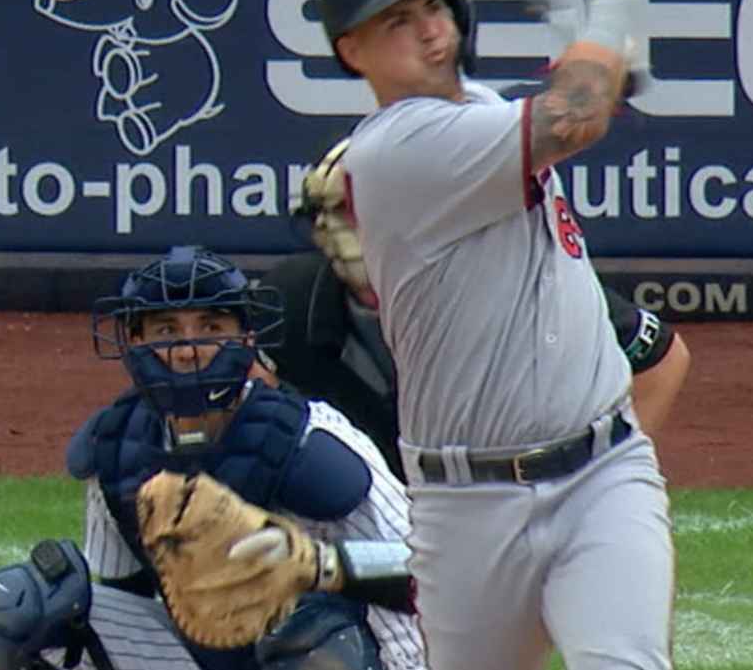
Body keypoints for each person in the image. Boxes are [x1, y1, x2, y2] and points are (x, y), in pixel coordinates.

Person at [316, 0, 713, 670]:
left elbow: (586, 95)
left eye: (434, 9)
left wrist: (603, 19)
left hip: (602, 468)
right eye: (394, 24)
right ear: (351, 53)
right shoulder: (403, 151)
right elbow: (582, 110)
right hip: (465, 503)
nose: (429, 34)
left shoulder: (481, 116)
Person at [0, 245, 437, 670]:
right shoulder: (115, 451)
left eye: (210, 329)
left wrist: (318, 565)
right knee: (19, 612)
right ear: (132, 342)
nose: (187, 349)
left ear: (244, 337)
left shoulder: (310, 437)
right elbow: (125, 601)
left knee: (301, 624)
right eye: (166, 331)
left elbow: (431, 570)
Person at [265, 137, 692, 475]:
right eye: (337, 212)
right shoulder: (291, 299)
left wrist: (610, 479)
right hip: (363, 505)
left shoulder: (514, 278)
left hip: (497, 501)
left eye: (370, 212)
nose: (351, 231)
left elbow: (661, 359)